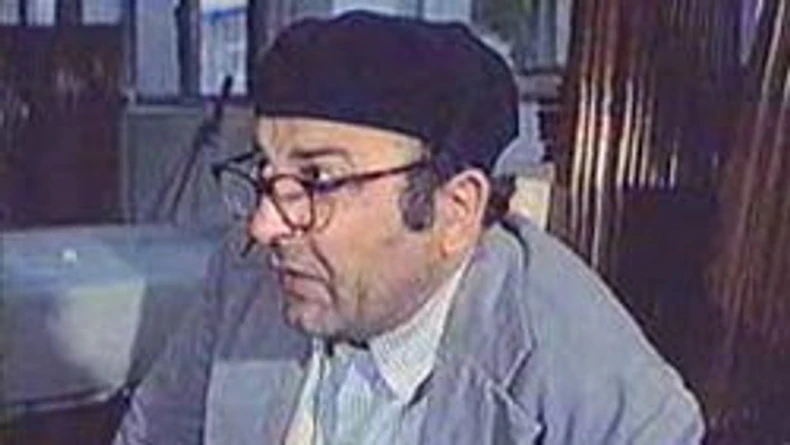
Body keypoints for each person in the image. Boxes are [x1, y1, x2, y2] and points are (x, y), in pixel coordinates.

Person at [113, 11, 704, 445]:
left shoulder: (584, 379)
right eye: (267, 174)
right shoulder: (245, 277)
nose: (266, 224)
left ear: (455, 211)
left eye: (318, 180)